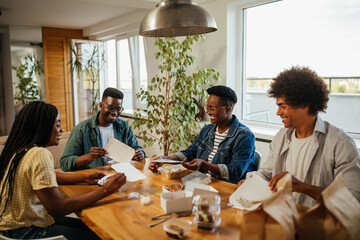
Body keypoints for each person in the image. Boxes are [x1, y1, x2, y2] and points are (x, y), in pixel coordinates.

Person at [0, 101, 126, 239]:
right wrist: (106, 190)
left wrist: (84, 177)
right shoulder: (39, 154)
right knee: (101, 235)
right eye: (58, 124)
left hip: (10, 228)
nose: (61, 129)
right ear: (43, 127)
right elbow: (57, 208)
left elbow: (50, 175)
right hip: (27, 231)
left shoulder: (20, 149)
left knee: (93, 227)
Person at [237, 66, 360, 207]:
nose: (278, 112)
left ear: (304, 104)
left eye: (282, 106)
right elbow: (267, 173)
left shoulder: (340, 143)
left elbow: (352, 198)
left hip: (317, 223)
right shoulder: (281, 137)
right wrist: (251, 182)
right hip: (281, 217)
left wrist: (304, 187)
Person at [149, 85, 256, 184]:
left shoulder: (244, 136)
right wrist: (165, 159)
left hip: (224, 185)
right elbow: (190, 152)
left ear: (228, 109)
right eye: (207, 108)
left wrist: (203, 164)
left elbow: (235, 172)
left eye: (212, 108)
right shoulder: (207, 129)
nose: (208, 112)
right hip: (201, 180)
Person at [60, 87, 145, 172]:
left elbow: (137, 148)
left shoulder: (123, 127)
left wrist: (140, 153)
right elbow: (65, 163)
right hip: (93, 178)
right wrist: (89, 157)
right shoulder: (82, 129)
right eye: (111, 108)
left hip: (119, 174)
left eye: (118, 109)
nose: (114, 112)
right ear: (100, 105)